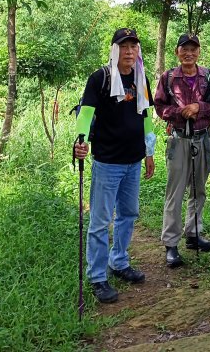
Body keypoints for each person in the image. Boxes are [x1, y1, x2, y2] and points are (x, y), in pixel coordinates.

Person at [74, 27, 156, 304]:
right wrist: (81, 139)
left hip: (133, 160)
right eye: (124, 46)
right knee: (99, 222)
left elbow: (145, 116)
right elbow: (86, 113)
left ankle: (119, 262)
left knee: (128, 214)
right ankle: (97, 276)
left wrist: (149, 151)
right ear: (114, 49)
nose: (130, 51)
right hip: (107, 162)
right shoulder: (101, 78)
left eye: (134, 46)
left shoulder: (141, 77)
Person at [154, 33, 210, 268]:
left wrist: (198, 107)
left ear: (199, 52)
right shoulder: (168, 77)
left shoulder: (208, 76)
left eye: (193, 49)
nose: (189, 53)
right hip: (179, 138)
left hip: (203, 138)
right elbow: (159, 106)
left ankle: (193, 234)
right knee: (175, 192)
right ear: (177, 52)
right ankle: (171, 244)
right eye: (184, 49)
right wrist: (179, 112)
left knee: (199, 189)